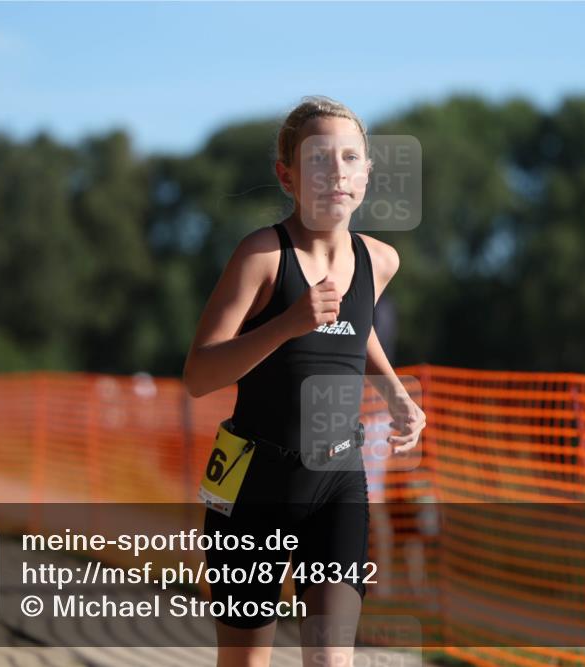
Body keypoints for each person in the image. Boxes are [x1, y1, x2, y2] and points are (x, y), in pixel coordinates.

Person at [182, 95, 426, 667]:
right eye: (318, 159)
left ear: (367, 172)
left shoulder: (380, 260)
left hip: (338, 482)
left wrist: (395, 392)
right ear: (287, 175)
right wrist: (287, 325)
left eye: (350, 158)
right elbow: (199, 374)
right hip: (254, 484)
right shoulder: (263, 255)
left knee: (330, 660)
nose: (336, 172)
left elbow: (353, 328)